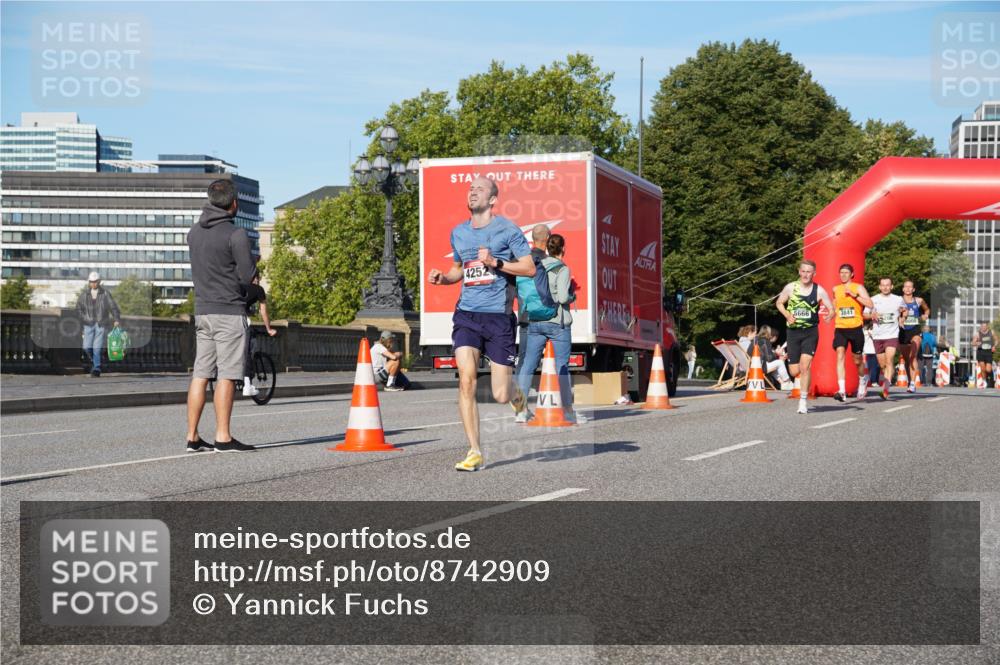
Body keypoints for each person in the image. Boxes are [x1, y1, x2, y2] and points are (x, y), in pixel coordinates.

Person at [427, 176, 534, 471]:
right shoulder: (459, 233)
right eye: (470, 189)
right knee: (467, 380)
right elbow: (458, 269)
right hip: (467, 315)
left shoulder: (507, 230)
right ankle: (474, 451)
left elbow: (529, 268)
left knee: (500, 394)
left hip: (499, 318)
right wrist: (443, 278)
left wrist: (496, 263)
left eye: (480, 189)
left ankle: (516, 395)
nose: (473, 192)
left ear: (493, 199)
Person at [185, 179, 257, 453]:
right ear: (234, 203)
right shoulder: (235, 234)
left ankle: (192, 436)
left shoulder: (193, 232)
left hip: (202, 311)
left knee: (201, 373)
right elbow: (247, 275)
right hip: (228, 311)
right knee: (227, 374)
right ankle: (223, 437)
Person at [516, 233, 584, 424]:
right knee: (561, 365)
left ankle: (521, 410)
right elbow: (562, 297)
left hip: (535, 321)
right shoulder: (562, 268)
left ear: (547, 248)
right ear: (563, 249)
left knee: (528, 364)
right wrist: (572, 296)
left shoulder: (536, 266)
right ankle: (567, 411)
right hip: (557, 323)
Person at [775, 259, 833, 414]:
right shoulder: (790, 288)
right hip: (793, 332)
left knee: (805, 366)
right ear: (799, 272)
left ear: (814, 274)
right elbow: (779, 303)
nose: (806, 275)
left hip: (810, 332)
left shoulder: (819, 290)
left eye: (809, 272)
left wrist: (830, 315)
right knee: (794, 371)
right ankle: (803, 379)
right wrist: (787, 315)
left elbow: (831, 308)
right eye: (803, 271)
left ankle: (803, 400)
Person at [831, 264, 874, 402]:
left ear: (852, 274)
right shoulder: (835, 289)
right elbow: (835, 305)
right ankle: (842, 391)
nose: (843, 275)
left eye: (846, 272)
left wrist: (855, 296)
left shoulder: (858, 288)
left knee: (857, 360)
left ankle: (862, 380)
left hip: (855, 327)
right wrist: (830, 313)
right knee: (840, 354)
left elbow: (870, 304)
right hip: (840, 327)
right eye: (841, 272)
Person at [516, 224, 551, 377]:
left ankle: (518, 389)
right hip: (547, 317)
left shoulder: (522, 261)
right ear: (548, 238)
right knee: (552, 356)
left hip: (526, 316)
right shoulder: (549, 262)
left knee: (524, 358)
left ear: (533, 238)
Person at [867, 276, 907, 401]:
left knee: (889, 360)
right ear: (879, 287)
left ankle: (885, 390)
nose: (885, 287)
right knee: (883, 365)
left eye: (887, 285)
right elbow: (864, 314)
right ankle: (888, 379)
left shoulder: (898, 299)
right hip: (878, 335)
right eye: (883, 285)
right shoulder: (873, 299)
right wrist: (871, 315)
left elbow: (905, 310)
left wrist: (902, 317)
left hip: (892, 335)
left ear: (892, 286)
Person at [75, 271, 121, 377]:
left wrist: (116, 319)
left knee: (97, 347)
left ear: (99, 281)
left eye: (95, 281)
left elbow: (113, 307)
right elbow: (78, 309)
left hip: (101, 324)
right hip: (88, 324)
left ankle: (97, 368)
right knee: (86, 347)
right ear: (89, 282)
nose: (93, 283)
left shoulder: (105, 293)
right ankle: (95, 362)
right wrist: (84, 318)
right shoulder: (84, 294)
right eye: (91, 282)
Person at [240, 274, 277, 398]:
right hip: (240, 319)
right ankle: (247, 385)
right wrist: (269, 329)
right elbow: (263, 311)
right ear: (255, 278)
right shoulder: (258, 289)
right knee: (248, 351)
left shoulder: (236, 284)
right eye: (258, 278)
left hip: (222, 317)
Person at [898, 279, 930, 393]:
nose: (907, 289)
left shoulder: (919, 300)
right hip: (903, 331)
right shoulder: (898, 301)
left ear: (913, 289)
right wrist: (899, 318)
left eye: (910, 287)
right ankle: (910, 380)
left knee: (913, 356)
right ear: (903, 289)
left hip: (915, 330)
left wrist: (925, 315)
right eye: (905, 286)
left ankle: (912, 383)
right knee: (907, 359)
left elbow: (927, 310)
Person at [756, 325, 793, 390]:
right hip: (759, 367)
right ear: (768, 333)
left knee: (776, 365)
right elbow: (769, 358)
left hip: (755, 365)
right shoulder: (765, 341)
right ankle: (787, 382)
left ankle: (783, 383)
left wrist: (775, 353)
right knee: (780, 362)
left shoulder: (756, 340)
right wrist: (777, 353)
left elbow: (766, 356)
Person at [972, 322, 995, 388]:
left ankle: (990, 377)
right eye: (982, 326)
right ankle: (984, 381)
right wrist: (976, 343)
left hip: (988, 352)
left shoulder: (991, 332)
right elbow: (973, 343)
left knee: (988, 370)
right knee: (983, 368)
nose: (983, 327)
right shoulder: (977, 334)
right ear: (981, 327)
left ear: (987, 327)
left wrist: (994, 346)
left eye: (985, 326)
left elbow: (997, 340)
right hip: (981, 352)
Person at [861, 320, 879, 397]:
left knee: (868, 367)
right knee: (873, 367)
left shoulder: (863, 330)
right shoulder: (872, 331)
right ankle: (873, 381)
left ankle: (867, 381)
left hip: (866, 351)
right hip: (872, 351)